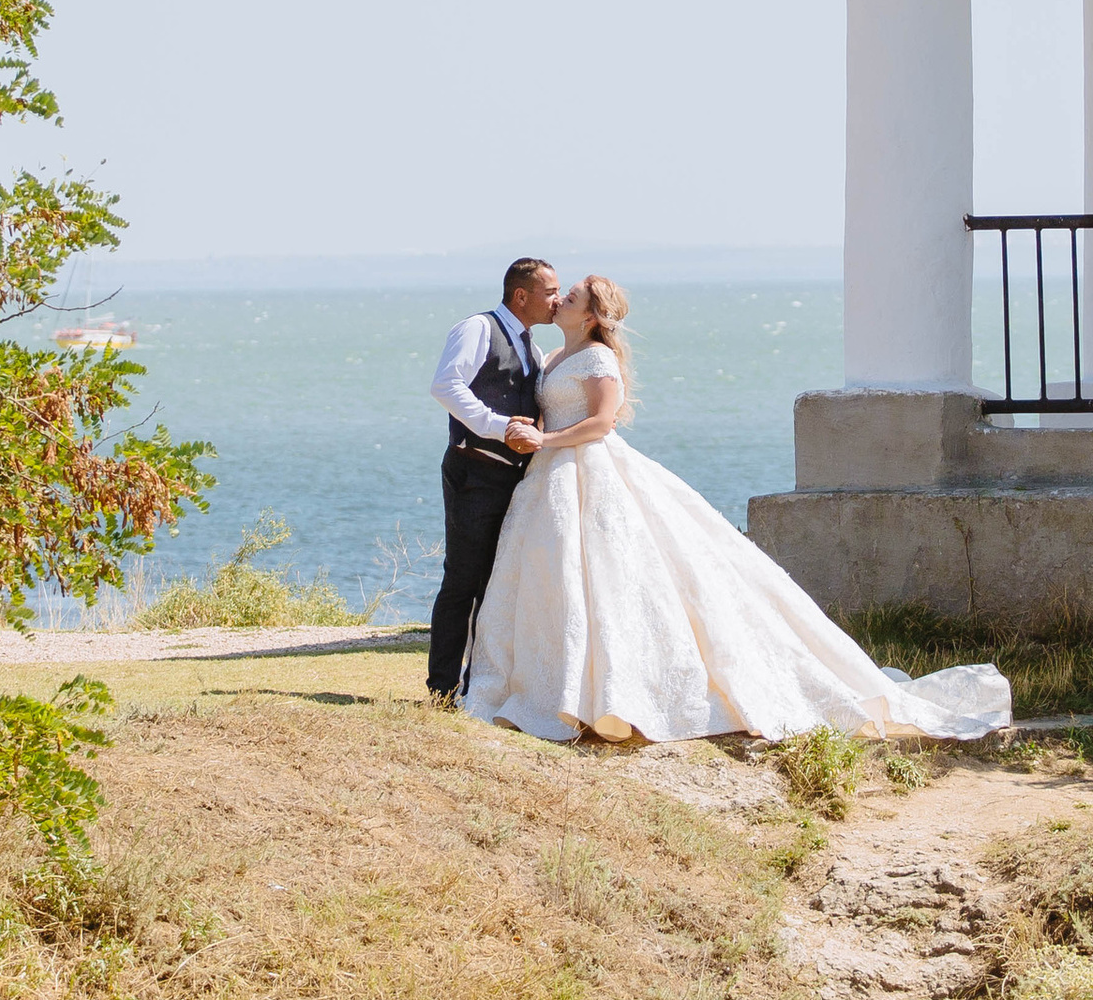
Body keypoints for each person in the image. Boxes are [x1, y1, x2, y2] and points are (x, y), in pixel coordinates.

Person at [460, 273, 1011, 744]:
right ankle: (553, 687)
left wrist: (548, 443)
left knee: (610, 575)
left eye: (572, 295)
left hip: (586, 468)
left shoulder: (598, 356)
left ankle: (610, 693)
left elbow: (603, 422)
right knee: (556, 578)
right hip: (548, 479)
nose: (560, 300)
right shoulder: (557, 354)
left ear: (593, 314)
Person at [424, 256, 559, 702]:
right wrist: (501, 427)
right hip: (474, 471)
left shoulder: (534, 349)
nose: (556, 300)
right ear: (521, 296)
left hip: (514, 480)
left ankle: (477, 687)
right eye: (550, 292)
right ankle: (442, 688)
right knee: (462, 579)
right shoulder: (477, 329)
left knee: (496, 585)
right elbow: (446, 386)